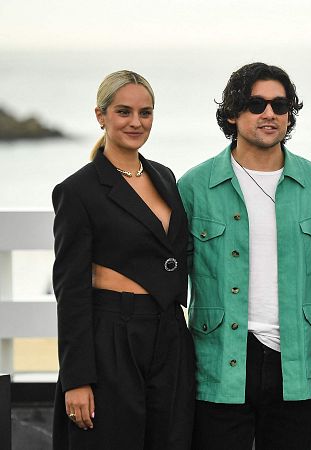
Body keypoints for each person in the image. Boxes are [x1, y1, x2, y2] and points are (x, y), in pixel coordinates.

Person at [177, 62, 311, 450]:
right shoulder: (194, 187)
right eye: (256, 104)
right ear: (232, 113)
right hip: (219, 364)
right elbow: (169, 278)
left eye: (280, 105)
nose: (269, 113)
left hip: (295, 364)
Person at [51, 70, 195, 449]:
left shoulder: (165, 176)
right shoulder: (77, 190)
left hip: (169, 333)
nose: (136, 122)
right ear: (101, 116)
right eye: (124, 112)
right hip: (113, 336)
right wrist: (76, 379)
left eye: (145, 113)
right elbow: (70, 290)